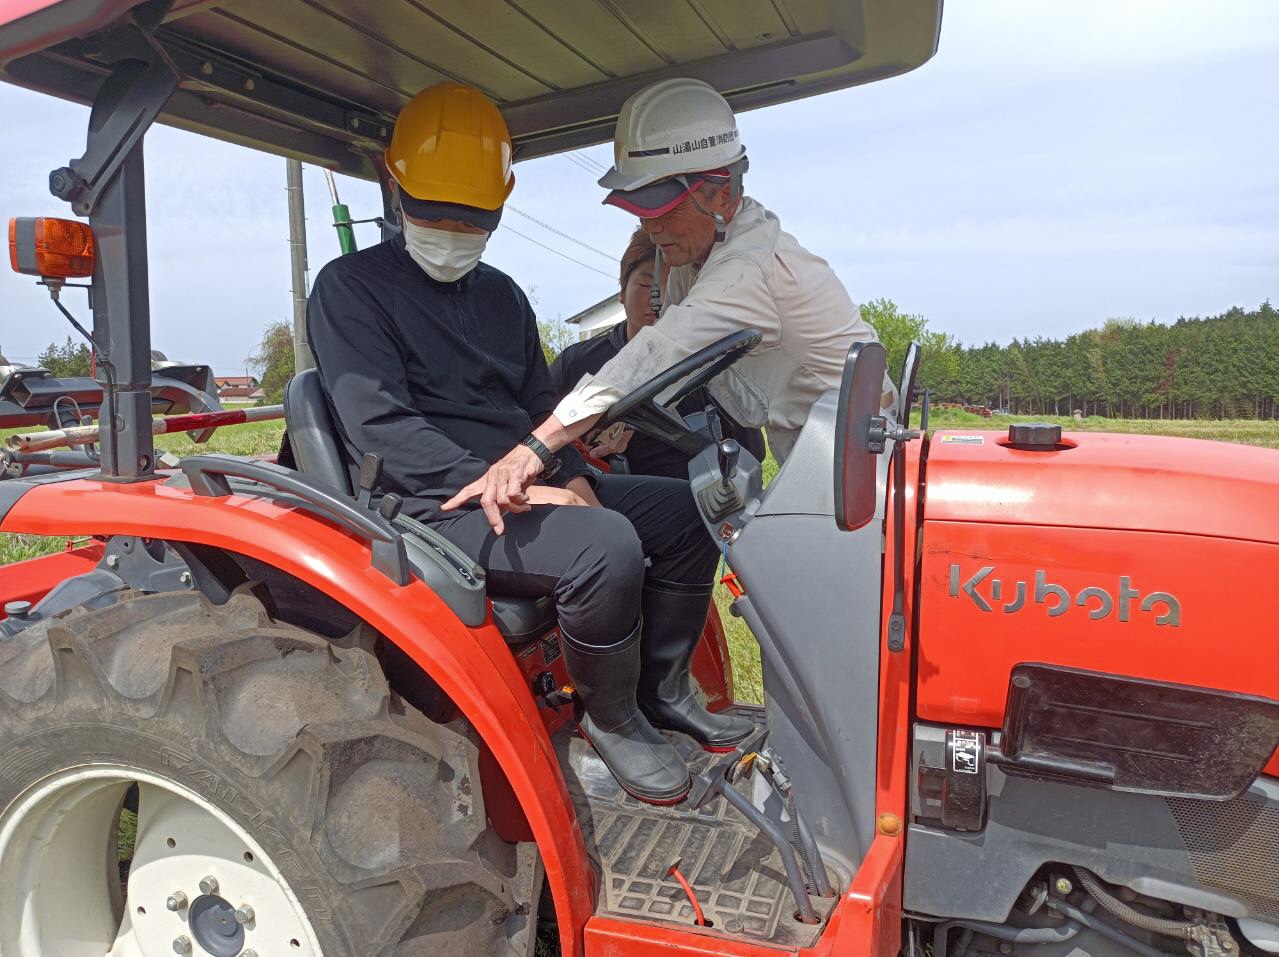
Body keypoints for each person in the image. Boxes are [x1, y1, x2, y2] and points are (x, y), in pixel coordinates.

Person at [306, 82, 752, 807]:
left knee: (686, 512)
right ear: (396, 184)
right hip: (432, 501)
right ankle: (608, 722)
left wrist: (568, 468)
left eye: (472, 217)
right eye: (435, 212)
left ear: (501, 202)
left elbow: (540, 406)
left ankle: (659, 692)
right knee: (600, 544)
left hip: (519, 483)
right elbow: (382, 429)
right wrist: (516, 484)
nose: (452, 229)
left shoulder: (503, 297)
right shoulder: (348, 290)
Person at [445, 77, 886, 527]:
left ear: (722, 193)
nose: (652, 228)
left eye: (667, 209)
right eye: (642, 211)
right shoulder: (696, 258)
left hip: (854, 469)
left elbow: (656, 352)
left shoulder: (747, 269)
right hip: (815, 457)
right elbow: (675, 370)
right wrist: (625, 424)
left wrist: (532, 450)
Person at [550, 227, 766, 477]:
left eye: (676, 287)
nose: (662, 300)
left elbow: (751, 453)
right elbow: (537, 425)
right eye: (646, 285)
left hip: (700, 501)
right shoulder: (576, 362)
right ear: (622, 291)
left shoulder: (714, 366)